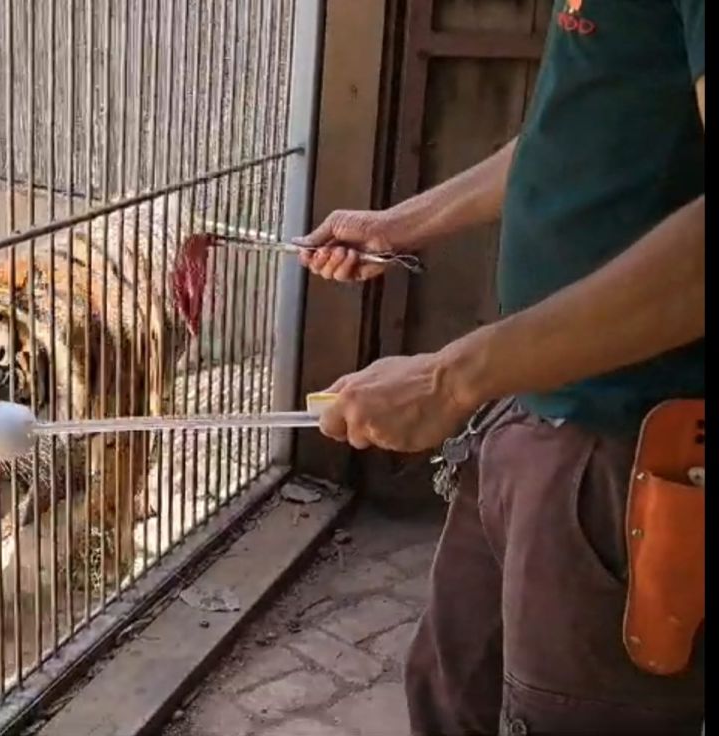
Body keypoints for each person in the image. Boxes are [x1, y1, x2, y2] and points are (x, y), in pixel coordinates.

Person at [296, 1, 705, 733]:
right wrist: (400, 223)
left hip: (625, 442)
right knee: (454, 692)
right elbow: (574, 136)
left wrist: (450, 379)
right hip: (529, 410)